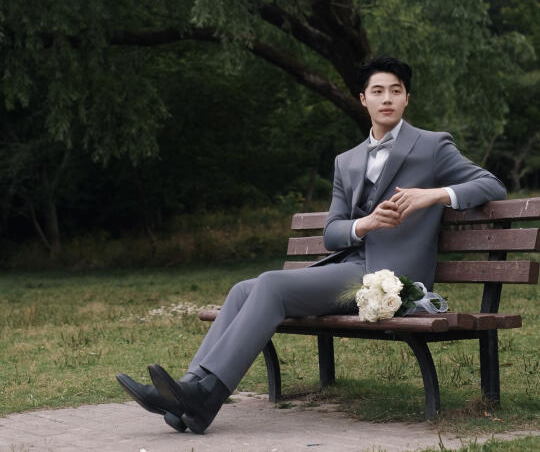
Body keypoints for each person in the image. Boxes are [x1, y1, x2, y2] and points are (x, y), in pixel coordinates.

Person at [116, 56, 506, 434]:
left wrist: (433, 195)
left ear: (407, 98)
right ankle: (187, 393)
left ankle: (201, 398)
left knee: (271, 284)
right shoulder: (346, 161)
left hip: (394, 280)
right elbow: (332, 233)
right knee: (241, 290)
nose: (387, 98)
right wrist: (365, 224)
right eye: (378, 91)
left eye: (396, 90)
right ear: (363, 99)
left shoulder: (432, 147)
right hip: (350, 270)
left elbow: (491, 185)